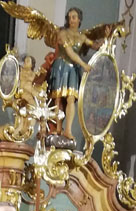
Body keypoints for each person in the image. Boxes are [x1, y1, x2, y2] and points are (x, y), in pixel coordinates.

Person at [48, 7, 93, 141]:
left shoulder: (82, 36)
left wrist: (108, 37)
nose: (71, 20)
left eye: (74, 17)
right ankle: (57, 128)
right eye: (69, 17)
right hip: (62, 66)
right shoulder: (63, 33)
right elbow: (70, 52)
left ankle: (68, 130)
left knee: (71, 98)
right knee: (58, 98)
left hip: (73, 68)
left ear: (79, 20)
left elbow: (95, 45)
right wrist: (84, 64)